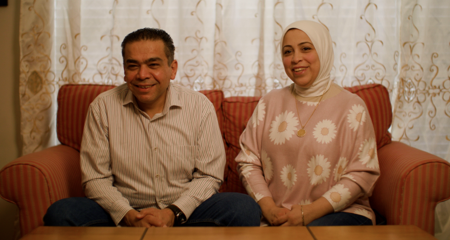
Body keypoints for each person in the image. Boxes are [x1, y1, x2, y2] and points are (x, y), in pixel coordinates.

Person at [44, 28, 261, 227]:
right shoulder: (102, 107)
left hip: (185, 212)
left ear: (172, 68)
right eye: (133, 65)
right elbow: (95, 178)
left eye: (153, 64)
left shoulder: (199, 107)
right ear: (124, 70)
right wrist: (128, 216)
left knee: (243, 208)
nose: (142, 75)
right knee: (60, 212)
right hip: (121, 212)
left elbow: (209, 176)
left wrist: (171, 213)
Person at [235, 20, 380, 227]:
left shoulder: (352, 107)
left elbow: (362, 172)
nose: (295, 59)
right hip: (277, 216)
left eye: (305, 49)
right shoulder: (270, 102)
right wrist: (270, 209)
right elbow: (248, 160)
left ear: (323, 50)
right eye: (287, 52)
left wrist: (309, 212)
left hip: (340, 213)